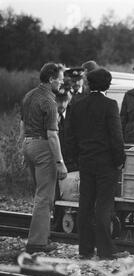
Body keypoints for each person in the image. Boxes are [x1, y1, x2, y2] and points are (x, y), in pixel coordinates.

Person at [65, 68, 126, 259]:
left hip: (86, 162)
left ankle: (85, 250)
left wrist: (76, 158)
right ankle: (106, 251)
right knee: (103, 206)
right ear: (107, 85)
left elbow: (70, 136)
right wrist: (120, 160)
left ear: (90, 84)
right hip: (107, 163)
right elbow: (116, 136)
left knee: (85, 205)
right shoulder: (110, 105)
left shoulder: (77, 105)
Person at [20, 62, 68, 253]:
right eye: (60, 80)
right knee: (45, 196)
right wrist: (60, 162)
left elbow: (22, 125)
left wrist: (23, 150)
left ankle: (40, 237)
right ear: (51, 79)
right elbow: (52, 135)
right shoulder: (50, 101)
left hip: (28, 145)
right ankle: (37, 243)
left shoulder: (28, 96)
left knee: (40, 194)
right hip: (42, 148)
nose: (61, 83)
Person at [55, 90, 78, 172]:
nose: (61, 104)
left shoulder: (74, 114)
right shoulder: (50, 115)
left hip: (72, 161)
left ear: (68, 101)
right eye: (58, 101)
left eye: (64, 101)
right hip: (54, 159)